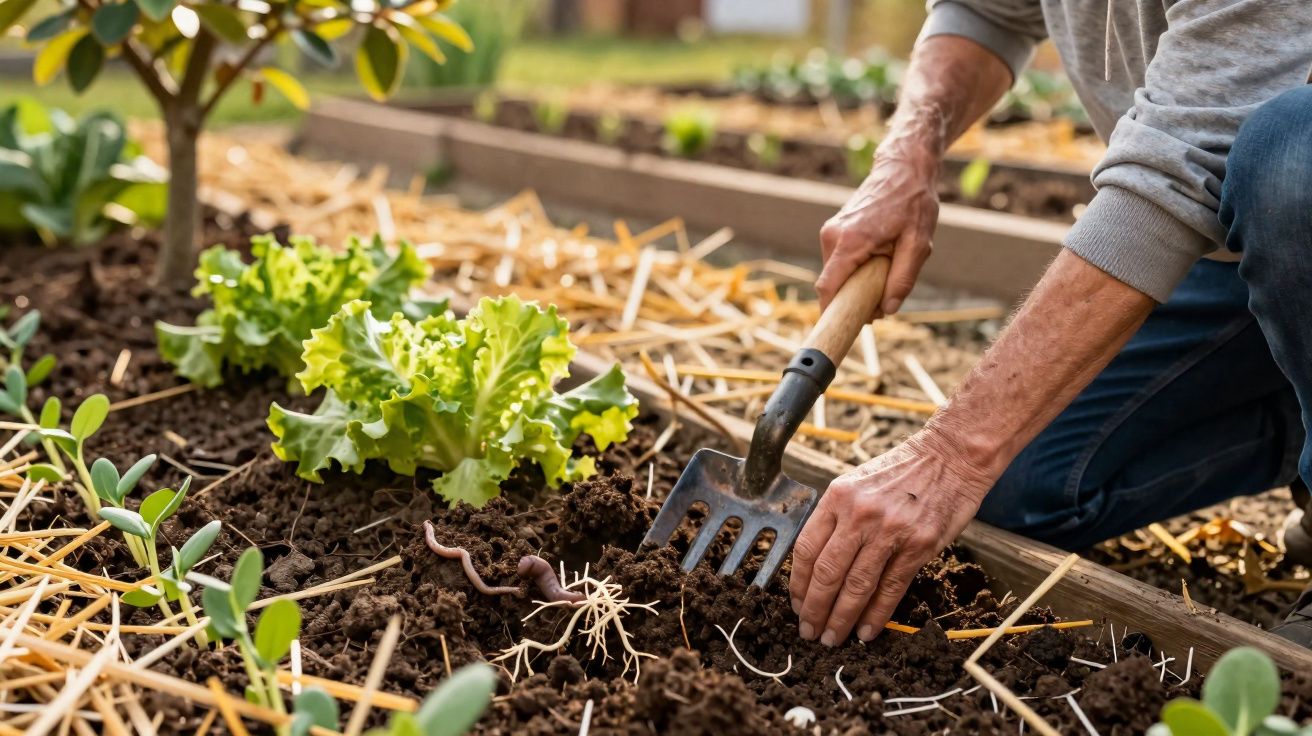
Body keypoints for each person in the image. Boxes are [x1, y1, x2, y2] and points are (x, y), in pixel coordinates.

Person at [789, 0, 1312, 649]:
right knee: (1016, 490)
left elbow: (1179, 167)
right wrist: (908, 152)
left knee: (1294, 154)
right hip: (1240, 251)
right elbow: (986, 13)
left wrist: (951, 454)